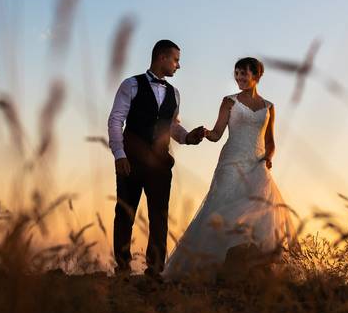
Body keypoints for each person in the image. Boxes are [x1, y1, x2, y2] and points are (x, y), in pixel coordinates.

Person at [163, 57, 296, 280]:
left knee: (259, 210)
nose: (239, 78)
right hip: (231, 161)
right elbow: (216, 134)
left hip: (257, 163)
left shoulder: (269, 107)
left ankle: (249, 266)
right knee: (220, 208)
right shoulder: (229, 102)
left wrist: (268, 158)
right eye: (236, 74)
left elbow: (271, 141)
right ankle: (209, 266)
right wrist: (204, 133)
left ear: (257, 75)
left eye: (244, 74)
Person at [107, 39, 206, 279]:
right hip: (130, 160)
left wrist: (188, 138)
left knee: (159, 214)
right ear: (162, 57)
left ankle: (156, 268)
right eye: (176, 60)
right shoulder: (131, 84)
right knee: (125, 212)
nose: (178, 66)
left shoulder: (175, 94)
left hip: (161, 164)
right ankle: (123, 266)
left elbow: (172, 127)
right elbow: (115, 121)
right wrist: (119, 154)